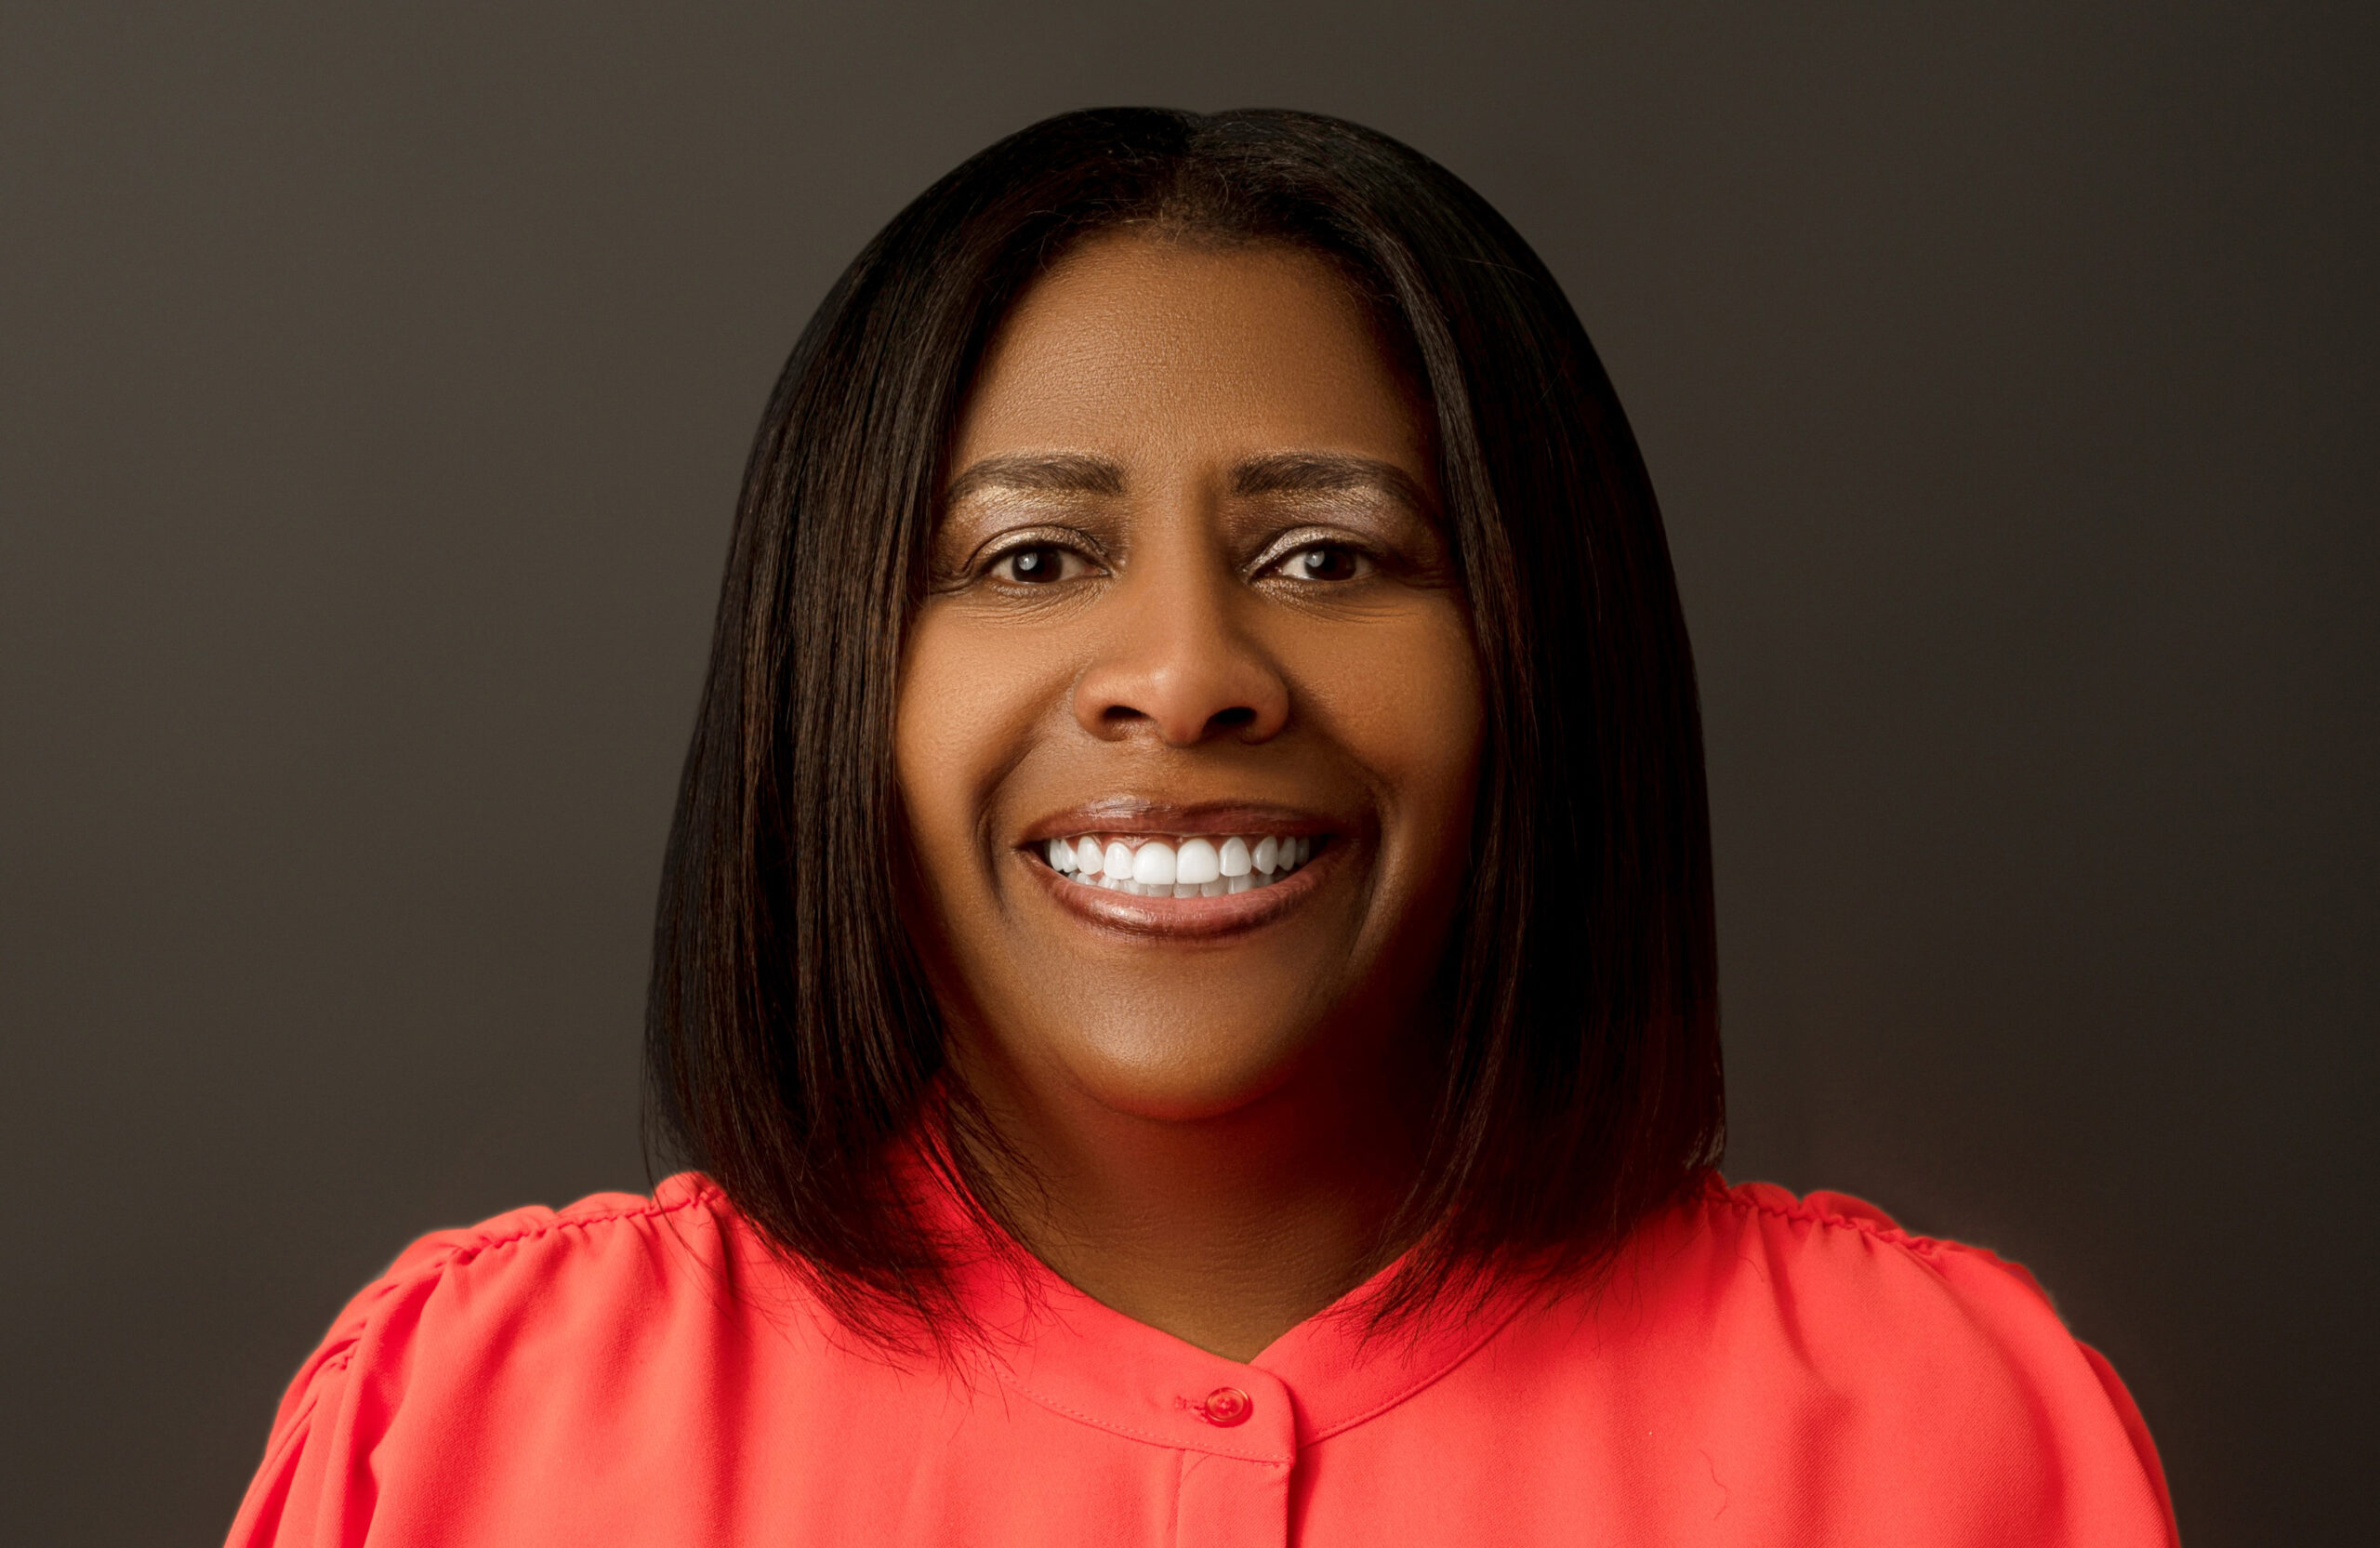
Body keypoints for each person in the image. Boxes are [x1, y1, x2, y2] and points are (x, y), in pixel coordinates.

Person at [225, 108, 2176, 1546]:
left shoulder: (1944, 1426)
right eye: (1030, 555)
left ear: (1538, 650)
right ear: (835, 675)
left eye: (1329, 552)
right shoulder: (466, 1422)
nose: (1181, 672)